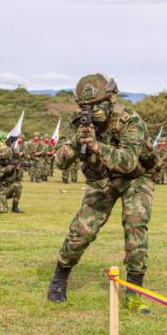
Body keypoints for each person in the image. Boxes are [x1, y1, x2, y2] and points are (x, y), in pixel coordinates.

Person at [48, 73, 155, 314]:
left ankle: (135, 294)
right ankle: (59, 279)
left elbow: (128, 162)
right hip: (101, 181)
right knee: (81, 232)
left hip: (135, 179)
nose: (92, 111)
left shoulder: (130, 120)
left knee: (136, 228)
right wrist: (77, 141)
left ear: (111, 99)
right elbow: (60, 163)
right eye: (86, 106)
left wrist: (97, 145)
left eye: (97, 104)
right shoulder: (77, 124)